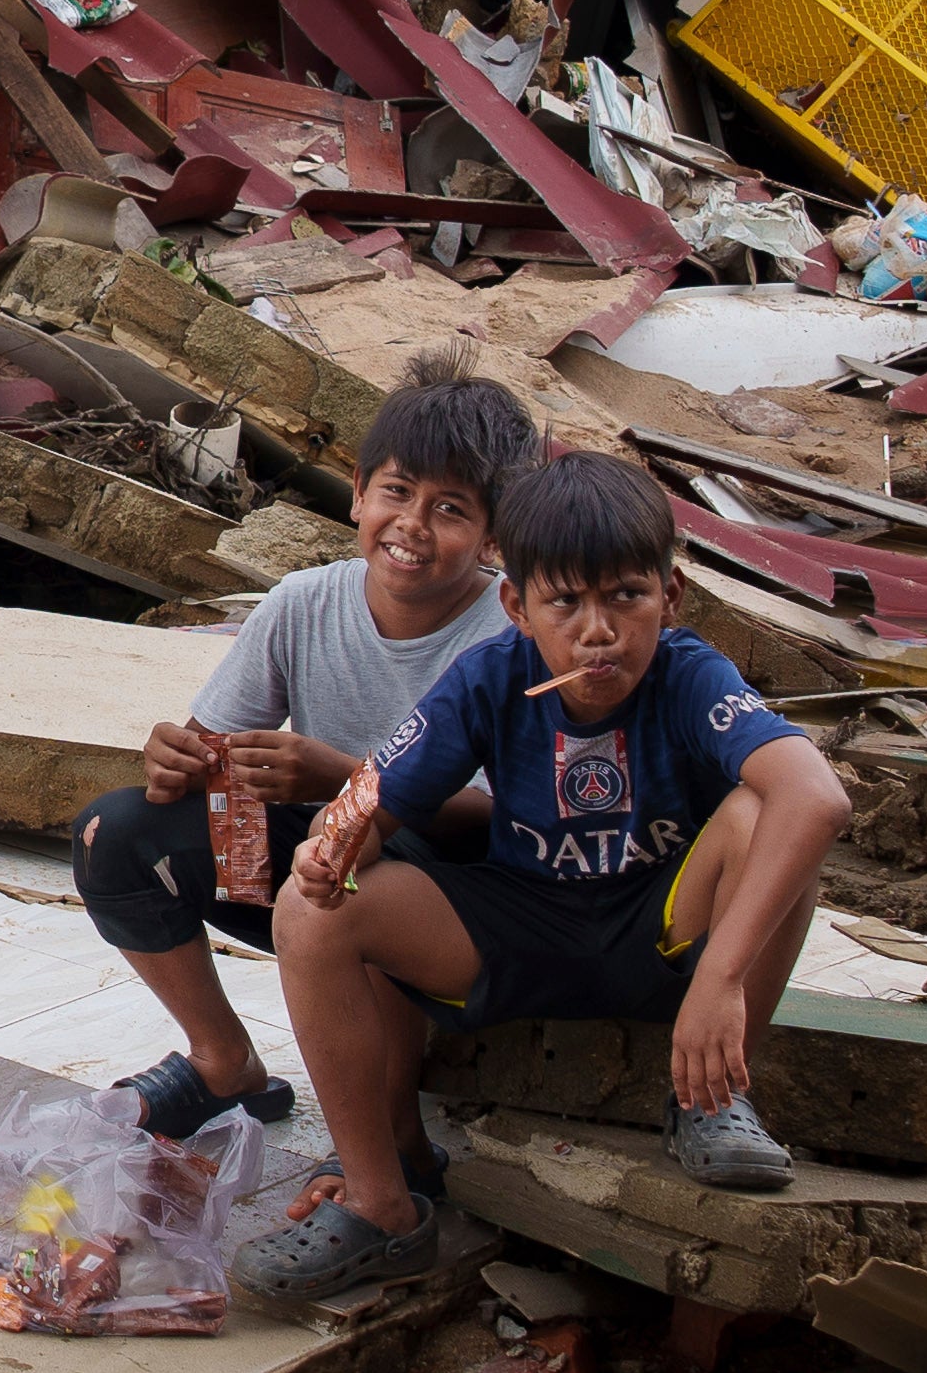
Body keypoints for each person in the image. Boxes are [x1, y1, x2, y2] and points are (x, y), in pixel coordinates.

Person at [237, 447, 852, 1312]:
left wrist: (720, 979)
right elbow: (372, 797)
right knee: (313, 906)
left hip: (662, 933)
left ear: (669, 599)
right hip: (518, 930)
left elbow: (817, 796)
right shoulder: (491, 678)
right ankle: (382, 1202)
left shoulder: (689, 674)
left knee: (767, 815)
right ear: (517, 607)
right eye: (566, 603)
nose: (597, 631)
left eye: (625, 598)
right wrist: (332, 846)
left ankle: (713, 1096)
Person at [65, 368, 539, 1139]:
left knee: (373, 862)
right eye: (397, 491)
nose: (412, 524)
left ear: (493, 536)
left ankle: (386, 1145)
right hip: (317, 869)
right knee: (114, 835)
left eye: (450, 509)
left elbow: (499, 822)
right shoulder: (305, 602)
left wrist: (347, 781)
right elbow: (210, 758)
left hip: (446, 892)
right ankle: (224, 1059)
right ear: (357, 493)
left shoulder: (513, 629)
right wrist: (174, 762)